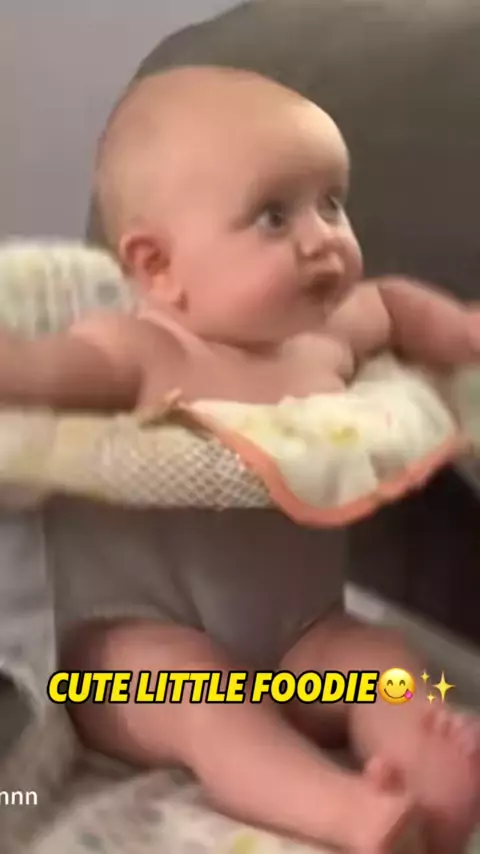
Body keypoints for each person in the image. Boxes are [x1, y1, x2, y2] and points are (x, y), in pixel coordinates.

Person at [2, 65, 480, 853]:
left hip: (305, 641)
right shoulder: (140, 351)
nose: (323, 237)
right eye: (273, 216)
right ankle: (347, 812)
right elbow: (40, 371)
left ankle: (430, 770)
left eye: (332, 203)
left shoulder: (325, 341)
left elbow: (394, 305)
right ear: (159, 267)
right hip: (131, 656)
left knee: (380, 660)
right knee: (202, 703)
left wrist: (459, 330)